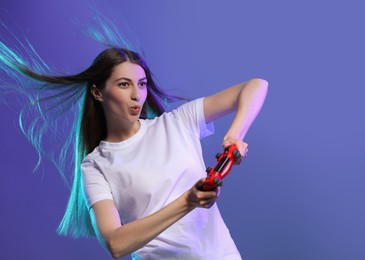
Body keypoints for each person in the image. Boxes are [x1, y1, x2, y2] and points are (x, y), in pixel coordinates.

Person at [1, 46, 268, 259]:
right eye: (124, 84)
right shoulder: (95, 166)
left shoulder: (176, 123)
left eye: (141, 84)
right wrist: (188, 201)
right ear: (97, 91)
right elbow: (116, 244)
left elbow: (255, 86)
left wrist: (235, 134)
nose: (137, 96)